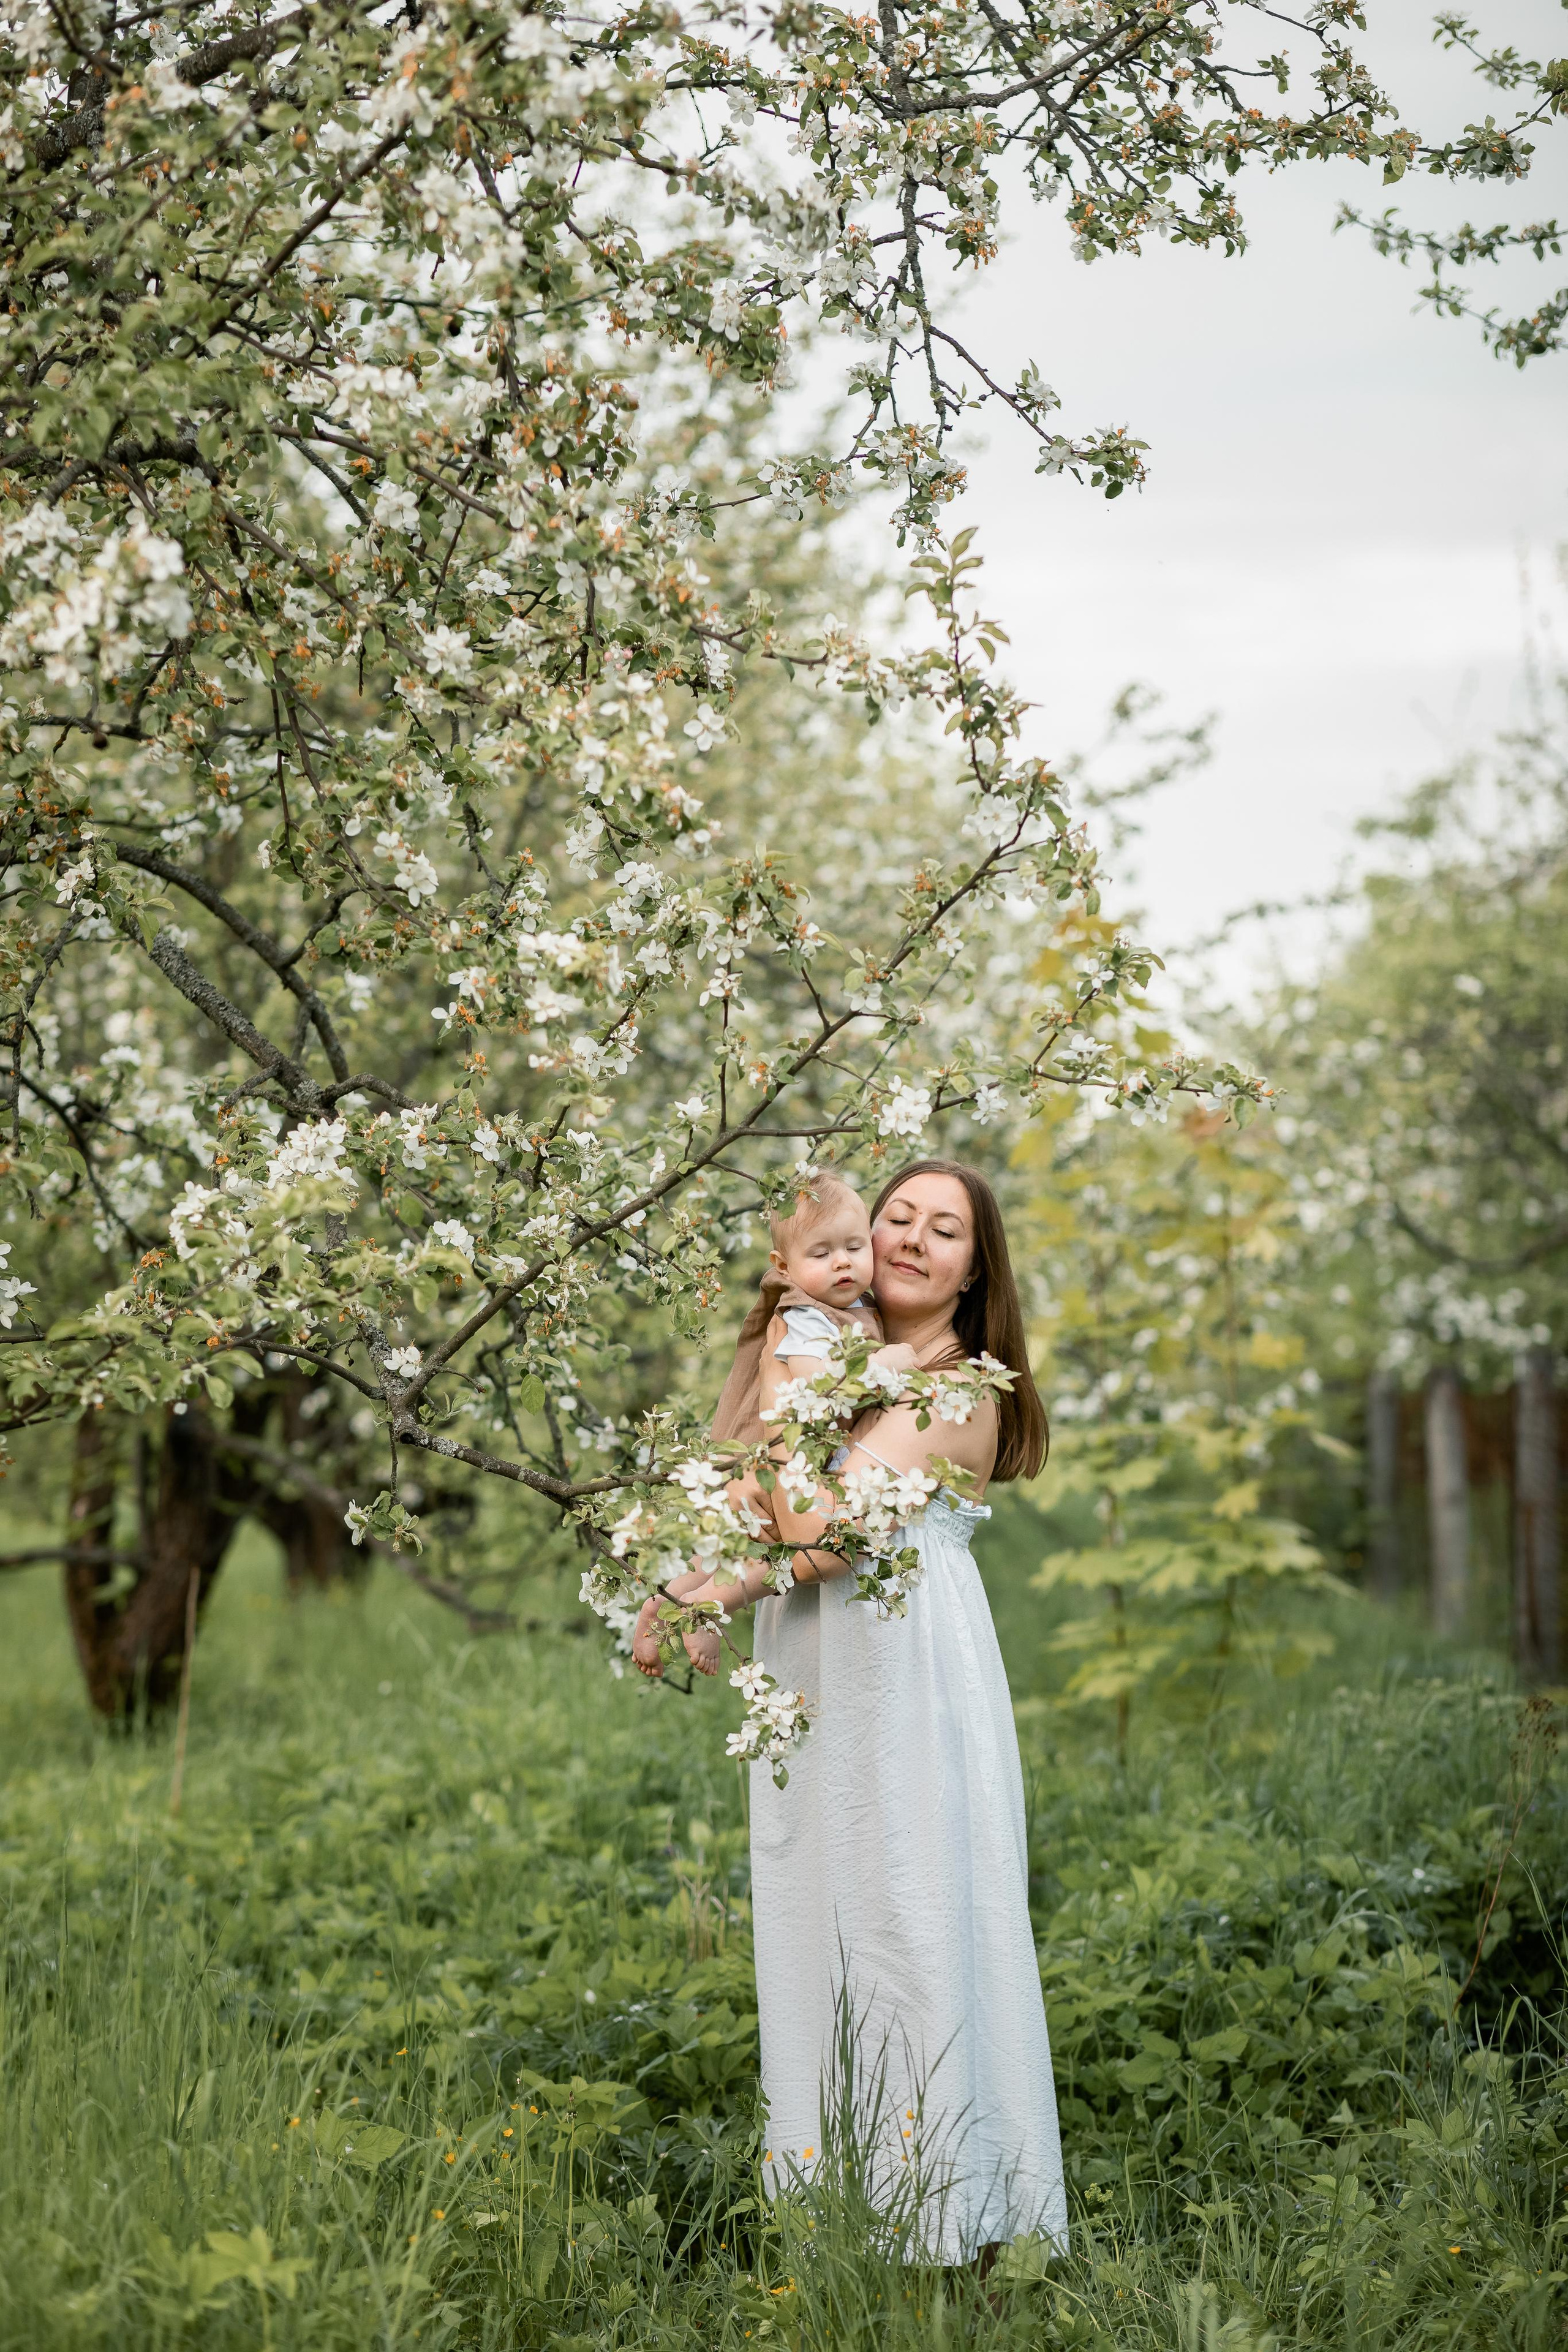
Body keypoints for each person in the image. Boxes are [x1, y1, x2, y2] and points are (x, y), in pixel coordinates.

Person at [745, 1159, 1067, 2266]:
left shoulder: (958, 1392)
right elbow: (750, 1501)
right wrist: (688, 1592)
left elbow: (814, 1534)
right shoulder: (846, 1363)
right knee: (818, 1917)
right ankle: (835, 2212)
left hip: (908, 1680)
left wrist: (788, 1397)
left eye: (946, 1230)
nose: (913, 1239)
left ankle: (951, 2224)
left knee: (909, 1922)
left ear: (978, 1271)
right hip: (819, 1668)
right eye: (896, 1218)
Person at [630, 1172, 917, 1677]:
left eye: (854, 1246)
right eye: (822, 1253)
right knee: (780, 1554)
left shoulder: (853, 1307)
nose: (843, 1261)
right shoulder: (805, 1315)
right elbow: (820, 1385)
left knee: (734, 1546)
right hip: (780, 1460)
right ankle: (710, 1608)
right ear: (784, 1267)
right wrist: (895, 1360)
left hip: (800, 1460)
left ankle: (668, 1599)